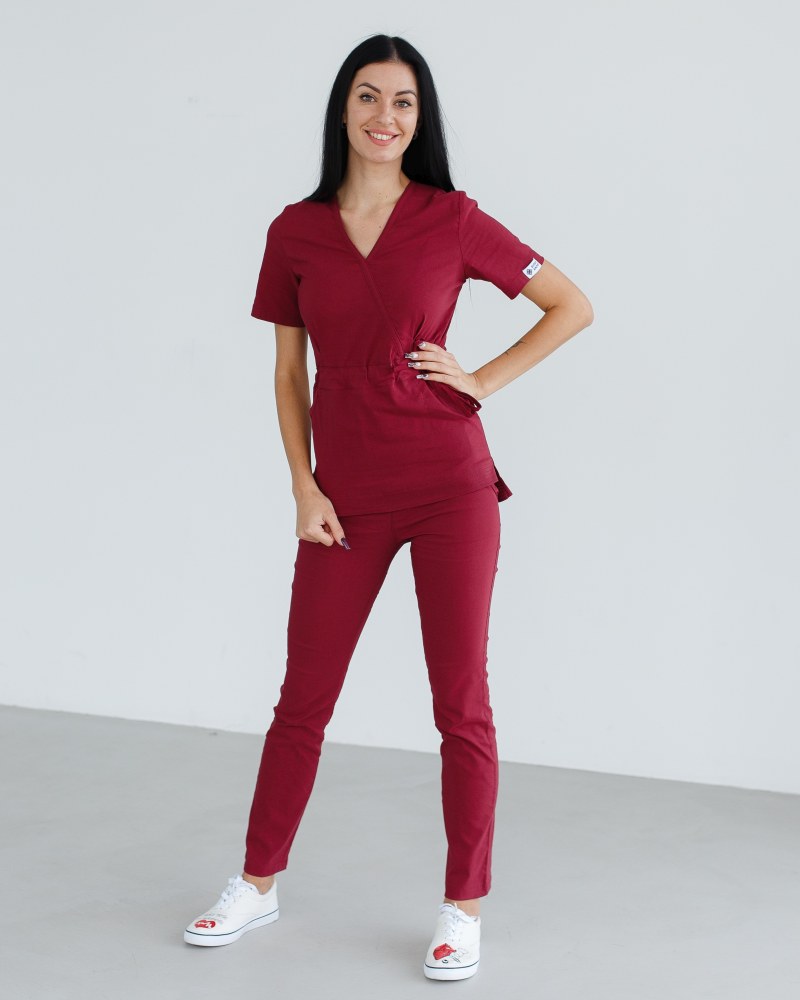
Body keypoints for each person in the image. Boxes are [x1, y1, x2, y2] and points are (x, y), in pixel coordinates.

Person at [183, 33, 593, 981]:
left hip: (451, 485)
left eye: (403, 102)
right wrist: (303, 483)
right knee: (303, 699)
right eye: (369, 96)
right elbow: (288, 372)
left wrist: (480, 379)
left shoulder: (452, 218)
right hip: (345, 496)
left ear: (420, 119)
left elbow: (570, 305)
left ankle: (462, 908)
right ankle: (256, 883)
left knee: (460, 704)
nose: (385, 116)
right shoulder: (295, 230)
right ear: (343, 107)